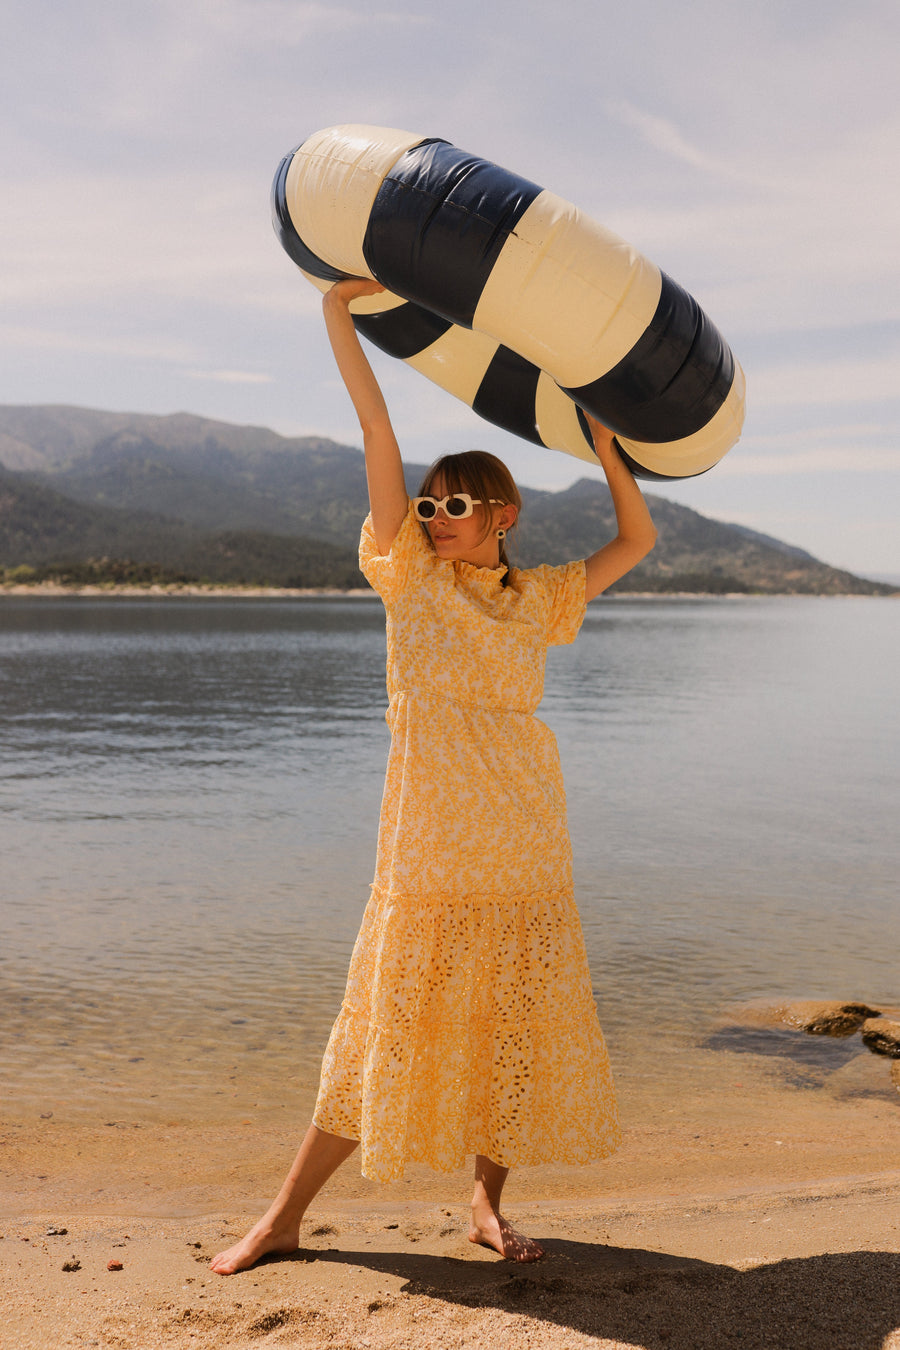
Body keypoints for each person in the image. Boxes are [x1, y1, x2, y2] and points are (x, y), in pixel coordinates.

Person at [211, 277, 657, 1274]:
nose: (435, 513)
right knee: (381, 1029)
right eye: (429, 502)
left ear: (501, 513)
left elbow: (638, 539)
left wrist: (610, 453)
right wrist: (337, 316)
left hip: (526, 839)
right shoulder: (408, 576)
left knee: (511, 1027)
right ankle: (284, 1217)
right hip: (429, 845)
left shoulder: (540, 598)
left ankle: (485, 1207)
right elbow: (375, 429)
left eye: (455, 504)